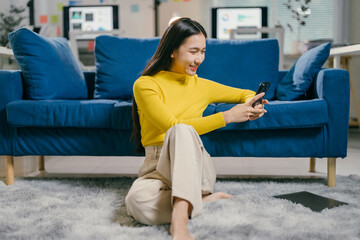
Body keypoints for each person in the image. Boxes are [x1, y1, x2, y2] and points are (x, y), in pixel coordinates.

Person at [125, 17, 268, 240]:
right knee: (137, 203)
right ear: (173, 50)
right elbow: (171, 125)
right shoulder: (145, 85)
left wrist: (253, 105)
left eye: (202, 51)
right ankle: (200, 201)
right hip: (157, 170)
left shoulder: (201, 85)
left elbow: (246, 93)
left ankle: (179, 223)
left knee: (182, 131)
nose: (199, 59)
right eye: (193, 51)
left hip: (195, 167)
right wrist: (228, 116)